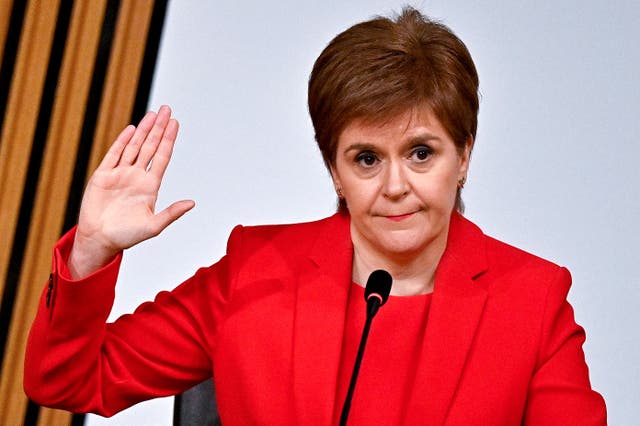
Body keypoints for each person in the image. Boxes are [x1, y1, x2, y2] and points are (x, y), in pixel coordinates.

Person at [24, 7, 606, 425]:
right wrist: (92, 252)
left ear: (465, 157)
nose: (396, 186)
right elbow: (69, 379)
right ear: (334, 170)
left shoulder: (532, 301)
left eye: (422, 153)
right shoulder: (256, 272)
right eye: (367, 158)